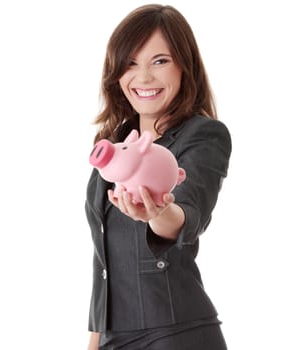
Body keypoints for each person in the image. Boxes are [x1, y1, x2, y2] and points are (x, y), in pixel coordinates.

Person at [85, 4, 232, 350]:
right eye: (131, 63)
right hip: (113, 338)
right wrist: (94, 342)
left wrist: (157, 213)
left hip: (174, 335)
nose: (144, 77)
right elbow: (104, 260)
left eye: (160, 61)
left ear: (185, 65)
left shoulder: (204, 135)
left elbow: (188, 215)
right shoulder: (116, 145)